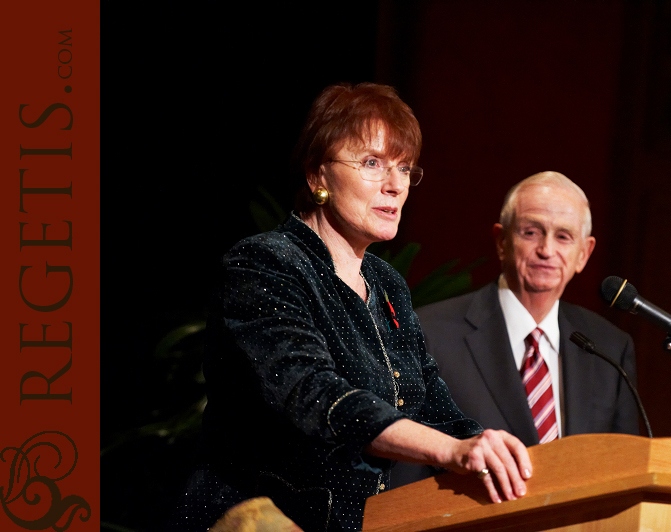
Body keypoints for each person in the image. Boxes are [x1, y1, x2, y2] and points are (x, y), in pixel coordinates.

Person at [167, 83, 532, 532]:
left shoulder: (387, 285)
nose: (395, 185)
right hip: (250, 520)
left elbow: (435, 410)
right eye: (372, 163)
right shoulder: (265, 263)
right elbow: (314, 394)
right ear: (317, 175)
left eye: (404, 168)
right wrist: (449, 452)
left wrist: (498, 454)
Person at [391, 171, 638, 487]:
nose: (547, 250)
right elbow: (403, 474)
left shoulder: (610, 347)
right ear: (501, 241)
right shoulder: (430, 333)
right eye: (531, 232)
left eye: (563, 236)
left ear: (584, 253)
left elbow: (623, 473)